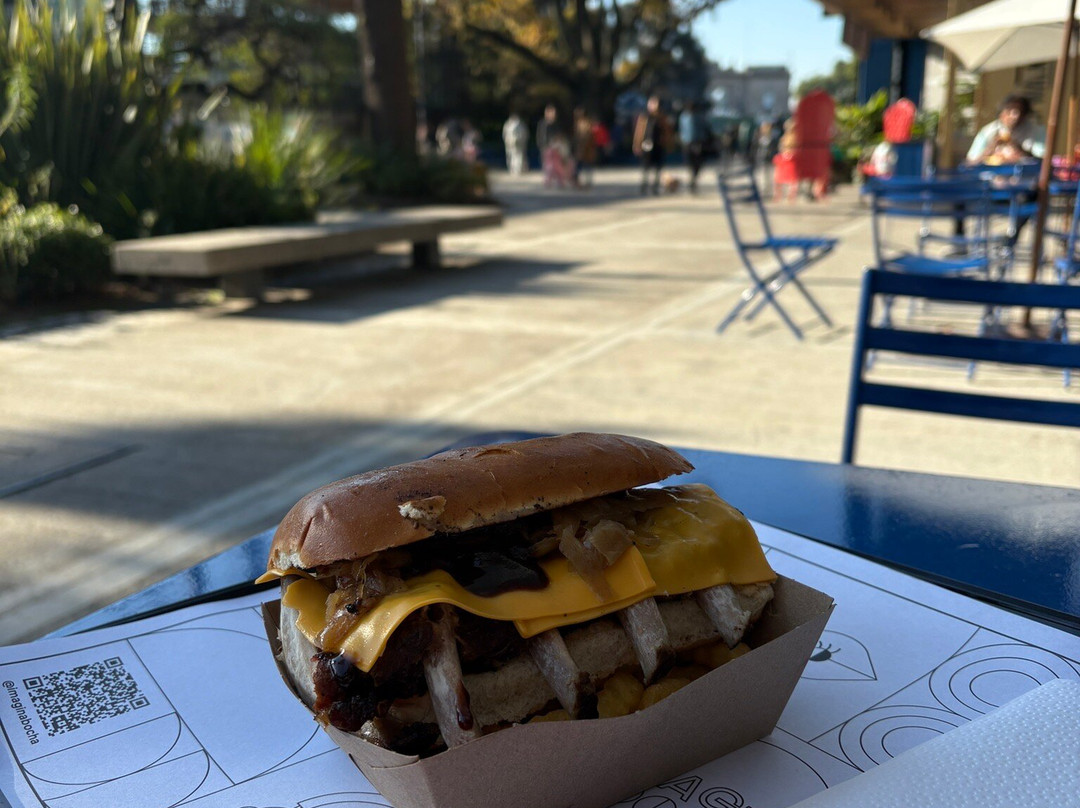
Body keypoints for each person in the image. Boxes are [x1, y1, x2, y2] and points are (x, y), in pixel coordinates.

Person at [966, 95, 1045, 165]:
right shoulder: (988, 131)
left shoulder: (1036, 130)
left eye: (1020, 111)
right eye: (1009, 111)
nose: (1015, 116)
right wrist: (990, 149)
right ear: (1001, 113)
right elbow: (970, 162)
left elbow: (1042, 161)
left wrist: (1018, 148)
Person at [633, 95, 673, 195]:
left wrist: (668, 144)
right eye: (652, 103)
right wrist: (637, 144)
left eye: (655, 103)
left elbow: (667, 132)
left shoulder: (662, 117)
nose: (654, 106)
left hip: (658, 145)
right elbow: (639, 132)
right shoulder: (644, 117)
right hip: (646, 144)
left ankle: (655, 186)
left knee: (658, 167)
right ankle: (644, 186)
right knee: (645, 167)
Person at [678, 101, 710, 193]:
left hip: (697, 142)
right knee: (690, 162)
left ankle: (693, 179)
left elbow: (703, 129)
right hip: (687, 143)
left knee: (698, 163)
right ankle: (692, 179)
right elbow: (682, 129)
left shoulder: (699, 117)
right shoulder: (684, 117)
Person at [536, 104, 571, 188]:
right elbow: (539, 135)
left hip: (556, 148)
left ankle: (560, 181)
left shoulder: (556, 124)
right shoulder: (542, 123)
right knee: (548, 166)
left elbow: (560, 135)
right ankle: (548, 181)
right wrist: (541, 145)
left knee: (558, 165)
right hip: (546, 147)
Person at [572, 107, 598, 188]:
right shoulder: (582, 123)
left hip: (585, 149)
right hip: (585, 149)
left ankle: (583, 181)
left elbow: (585, 137)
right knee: (584, 166)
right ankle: (582, 181)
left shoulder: (583, 124)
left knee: (583, 166)